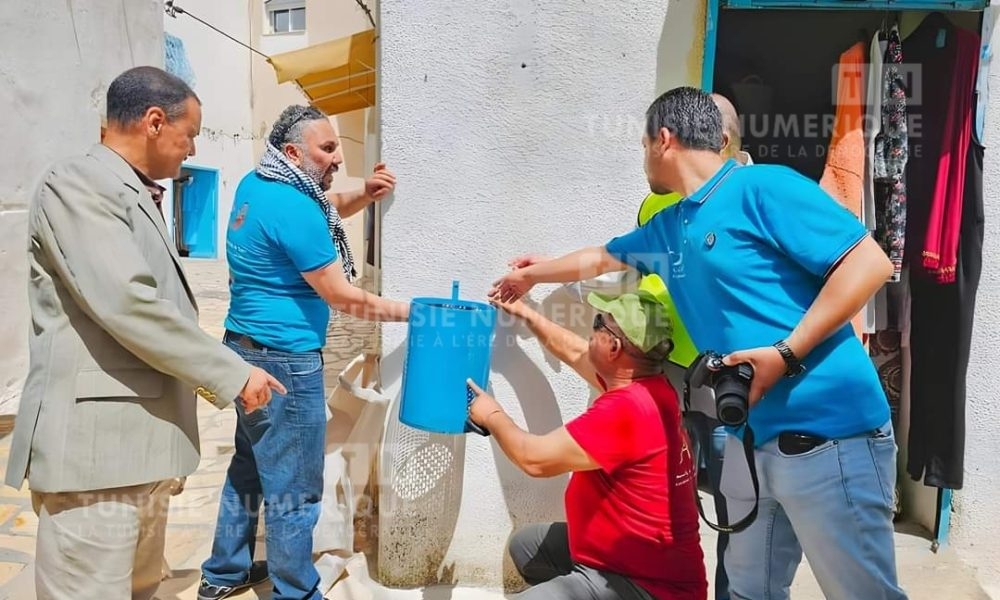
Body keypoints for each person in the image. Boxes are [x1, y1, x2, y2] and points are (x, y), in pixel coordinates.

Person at [491, 86, 906, 600]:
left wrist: (784, 354)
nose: (643, 155)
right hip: (750, 446)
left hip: (830, 437)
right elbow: (601, 257)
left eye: (644, 143)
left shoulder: (762, 188)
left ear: (663, 139)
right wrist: (534, 275)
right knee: (746, 594)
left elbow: (869, 264)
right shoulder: (673, 224)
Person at [4, 66, 284, 600]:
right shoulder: (79, 183)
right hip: (94, 461)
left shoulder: (128, 190)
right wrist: (231, 372)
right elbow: (127, 303)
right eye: (191, 133)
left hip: (135, 452)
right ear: (155, 122)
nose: (192, 147)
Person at [512, 92, 749, 600]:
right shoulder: (662, 208)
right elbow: (606, 258)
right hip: (666, 363)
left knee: (730, 507)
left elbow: (535, 458)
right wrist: (537, 275)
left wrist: (486, 412)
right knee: (654, 485)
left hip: (723, 372)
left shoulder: (746, 201)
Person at [199, 105, 411, 600]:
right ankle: (295, 591)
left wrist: (365, 192)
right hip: (285, 363)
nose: (339, 157)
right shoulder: (294, 209)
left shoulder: (260, 184)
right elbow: (343, 296)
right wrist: (415, 313)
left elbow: (326, 204)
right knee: (295, 485)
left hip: (242, 352)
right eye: (328, 148)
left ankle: (223, 573)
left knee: (248, 467)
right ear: (294, 153)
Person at [468, 290, 706, 600]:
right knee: (526, 546)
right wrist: (527, 314)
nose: (589, 333)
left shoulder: (625, 412)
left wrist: (492, 414)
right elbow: (576, 352)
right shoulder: (652, 387)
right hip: (626, 557)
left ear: (614, 347)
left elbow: (534, 460)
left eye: (598, 324)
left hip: (643, 585)